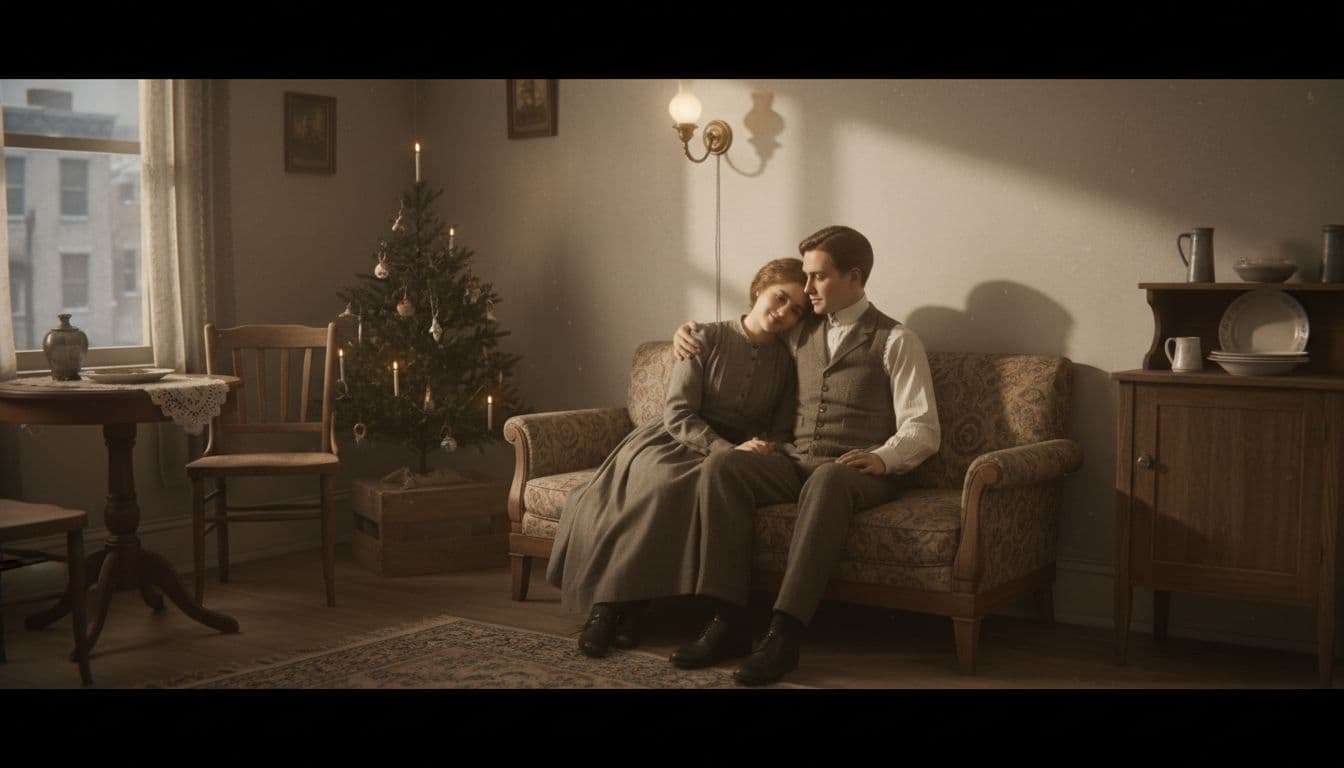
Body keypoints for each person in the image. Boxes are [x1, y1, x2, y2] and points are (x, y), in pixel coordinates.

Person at [670, 225, 941, 685]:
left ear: (854, 277)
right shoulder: (800, 331)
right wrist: (688, 334)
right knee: (723, 466)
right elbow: (746, 333)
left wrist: (883, 459)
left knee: (829, 479)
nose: (807, 287)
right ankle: (728, 619)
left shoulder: (896, 340)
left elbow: (923, 427)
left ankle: (784, 634)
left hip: (857, 471)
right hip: (795, 462)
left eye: (818, 277)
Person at [545, 258, 813, 658]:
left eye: (796, 310)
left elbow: (777, 429)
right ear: (760, 289)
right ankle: (607, 609)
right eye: (780, 298)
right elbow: (679, 413)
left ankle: (633, 609)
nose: (783, 313)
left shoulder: (785, 365)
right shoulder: (703, 336)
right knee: (657, 483)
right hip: (673, 439)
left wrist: (760, 450)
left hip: (730, 456)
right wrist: (724, 448)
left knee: (694, 487)